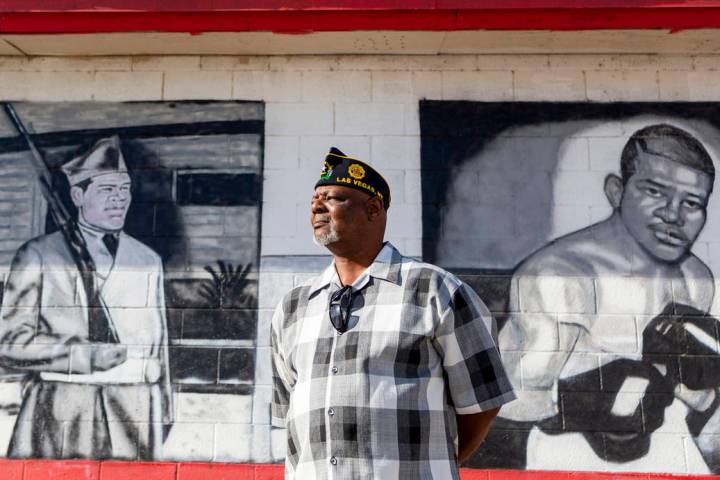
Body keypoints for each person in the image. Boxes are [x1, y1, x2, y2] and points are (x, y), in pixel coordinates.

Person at [271, 147, 515, 479]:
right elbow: (289, 413)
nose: (317, 206)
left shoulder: (436, 291)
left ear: (373, 209)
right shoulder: (293, 307)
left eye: (333, 198)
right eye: (315, 199)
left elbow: (483, 405)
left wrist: (430, 464)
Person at [497, 124, 720, 471]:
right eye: (655, 192)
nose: (673, 214)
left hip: (668, 451)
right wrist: (583, 400)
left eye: (692, 203)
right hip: (566, 456)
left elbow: (682, 393)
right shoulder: (561, 277)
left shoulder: (696, 279)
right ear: (617, 191)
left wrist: (702, 396)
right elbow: (508, 396)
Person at [0, 136, 172, 460]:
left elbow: (159, 344)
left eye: (125, 189)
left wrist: (163, 407)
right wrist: (83, 356)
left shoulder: (147, 259)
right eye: (107, 190)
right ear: (77, 195)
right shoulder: (38, 254)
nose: (119, 199)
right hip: (63, 405)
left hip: (134, 408)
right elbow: (8, 341)